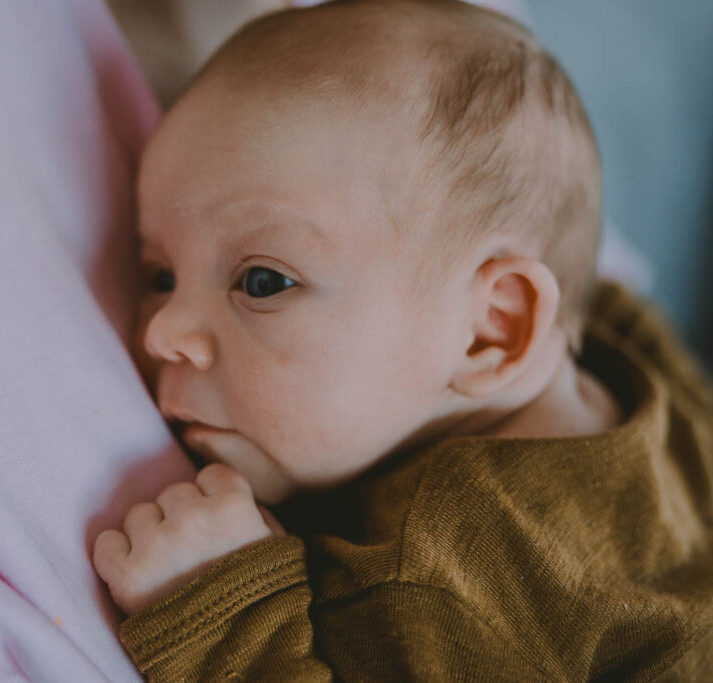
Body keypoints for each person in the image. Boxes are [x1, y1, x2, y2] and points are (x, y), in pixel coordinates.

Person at [91, 0, 713, 678]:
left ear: (491, 330)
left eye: (264, 281)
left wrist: (225, 616)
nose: (163, 333)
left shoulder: (439, 585)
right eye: (159, 274)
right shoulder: (634, 368)